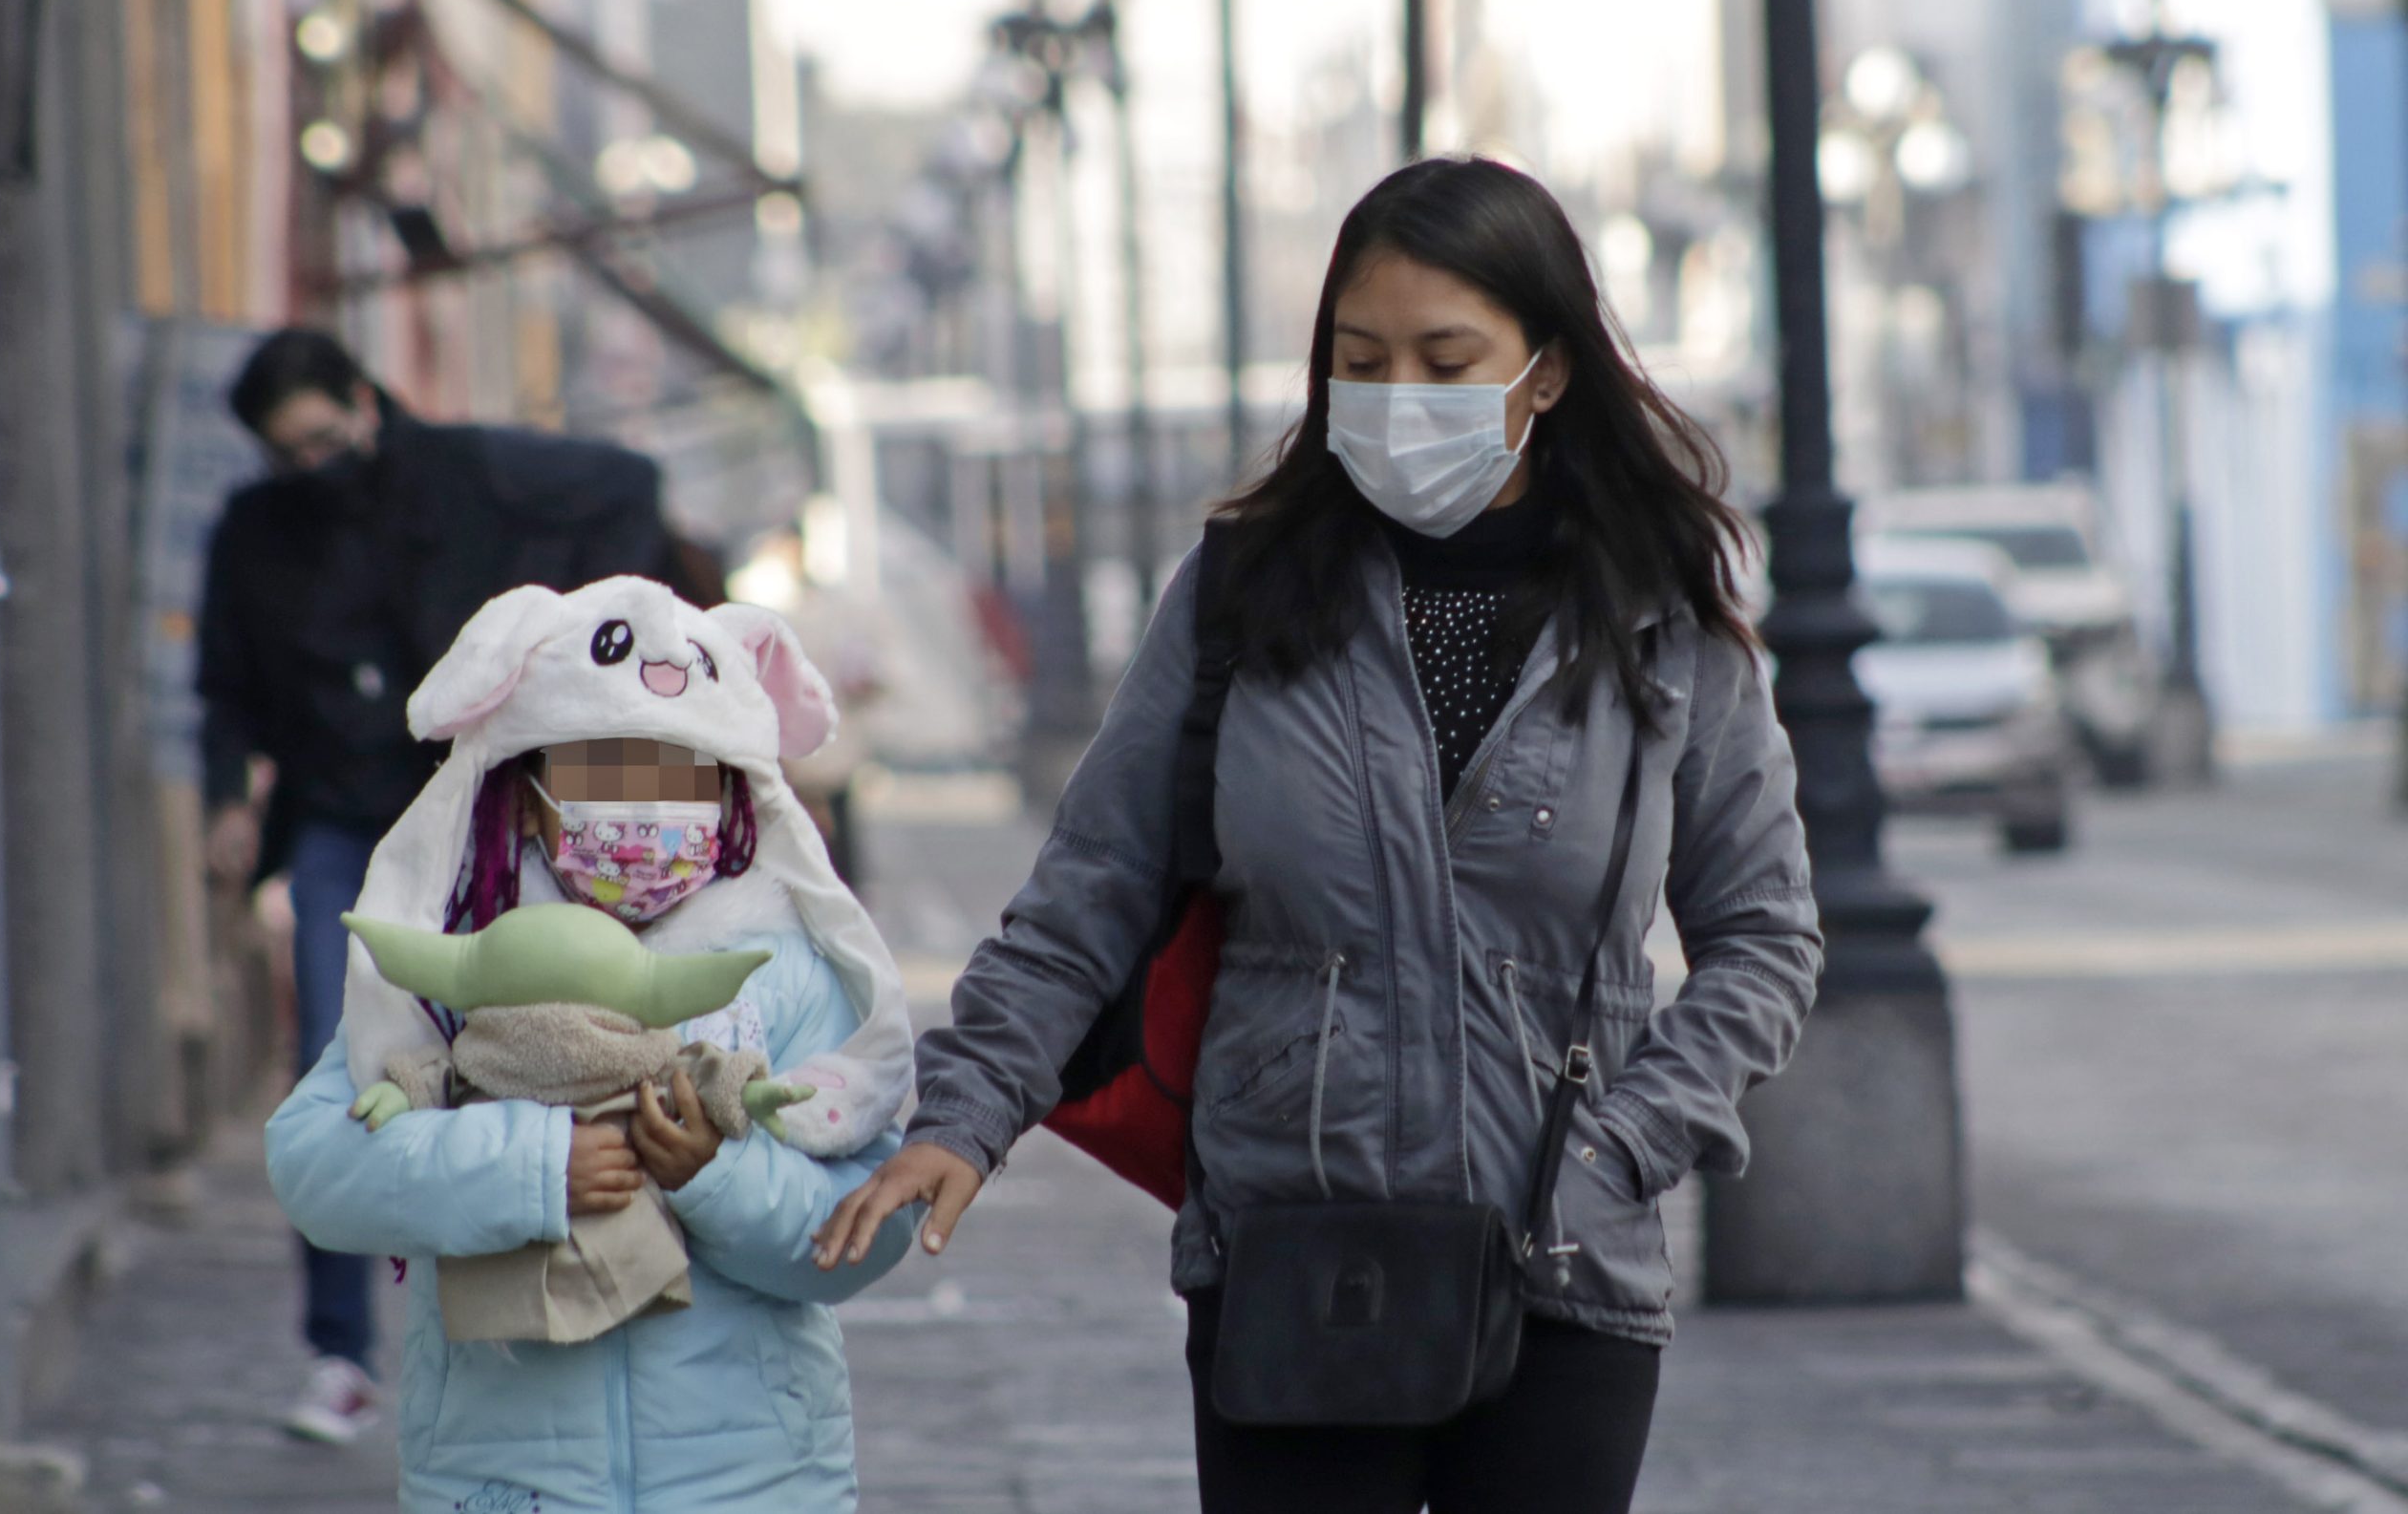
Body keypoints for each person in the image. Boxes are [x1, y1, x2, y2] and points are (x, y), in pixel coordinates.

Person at [817, 158, 1824, 1513]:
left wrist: (1622, 1144)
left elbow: (1765, 938)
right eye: (1363, 356)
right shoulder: (1243, 591)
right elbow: (1093, 885)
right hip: (1295, 1253)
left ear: (1548, 368)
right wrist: (969, 1111)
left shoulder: (1660, 621)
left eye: (1446, 355)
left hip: (1567, 1263)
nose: (1401, 391)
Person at [266, 576, 918, 1511]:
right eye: (604, 773)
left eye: (680, 776)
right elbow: (316, 1168)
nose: (646, 811)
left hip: (756, 1485)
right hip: (502, 1483)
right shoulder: (462, 966)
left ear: (732, 788)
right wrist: (533, 1168)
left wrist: (711, 1178)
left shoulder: (785, 971)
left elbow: (869, 1227)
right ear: (527, 797)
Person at [197, 329, 684, 1441]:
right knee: (338, 1063)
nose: (314, 465)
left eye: (327, 439)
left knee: (526, 1048)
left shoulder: (468, 470)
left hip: (475, 821)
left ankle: (532, 1311)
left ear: (365, 403)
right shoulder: (254, 532)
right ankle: (339, 1354)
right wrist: (229, 797)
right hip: (332, 828)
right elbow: (222, 685)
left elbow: (630, 486)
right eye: (290, 453)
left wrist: (578, 660)